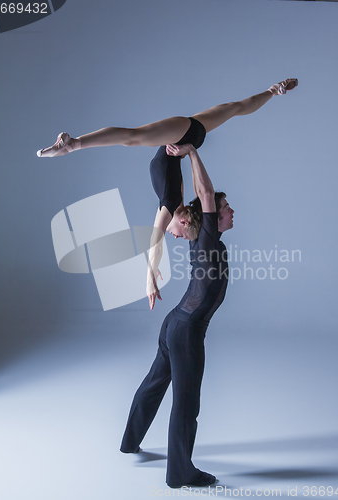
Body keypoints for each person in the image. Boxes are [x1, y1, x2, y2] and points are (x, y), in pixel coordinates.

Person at [36, 79, 298, 308]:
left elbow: (158, 239)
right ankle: (74, 145)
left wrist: (151, 271)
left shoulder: (173, 202)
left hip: (193, 134)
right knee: (133, 137)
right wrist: (150, 276)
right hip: (181, 135)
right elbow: (155, 242)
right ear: (184, 221)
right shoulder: (172, 205)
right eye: (182, 236)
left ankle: (273, 91)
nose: (176, 236)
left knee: (235, 108)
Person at [120, 143, 234, 488]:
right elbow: (205, 193)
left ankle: (129, 441)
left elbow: (186, 199)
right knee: (186, 403)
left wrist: (178, 162)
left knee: (155, 384)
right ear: (211, 216)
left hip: (175, 323)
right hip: (187, 330)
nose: (232, 212)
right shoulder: (208, 236)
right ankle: (180, 472)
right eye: (226, 208)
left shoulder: (200, 236)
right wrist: (193, 152)